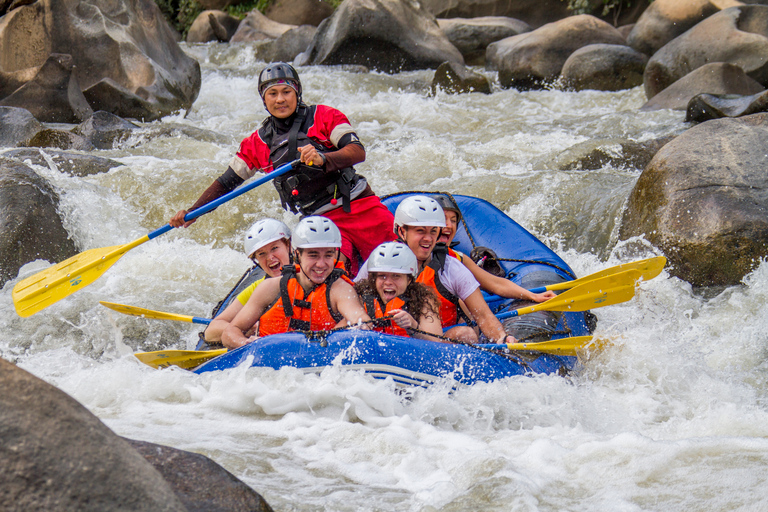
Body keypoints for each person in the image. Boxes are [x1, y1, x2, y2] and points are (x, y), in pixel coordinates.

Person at [169, 62, 395, 276]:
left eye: (286, 92)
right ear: (263, 99)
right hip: (317, 223)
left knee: (397, 263)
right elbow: (226, 183)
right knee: (335, 276)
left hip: (358, 206)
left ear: (297, 93)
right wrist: (193, 212)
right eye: (272, 93)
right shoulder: (256, 143)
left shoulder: (324, 116)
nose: (280, 99)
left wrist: (323, 159)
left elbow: (357, 151)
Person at [356, 196, 516, 345]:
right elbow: (353, 301)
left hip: (435, 344)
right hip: (382, 343)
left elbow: (483, 316)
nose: (428, 238)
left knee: (466, 334)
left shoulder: (451, 267)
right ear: (401, 231)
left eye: (433, 231)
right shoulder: (378, 262)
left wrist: (502, 339)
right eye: (420, 231)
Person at [222, 216, 371, 349]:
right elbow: (230, 332)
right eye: (313, 255)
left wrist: (360, 324)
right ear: (297, 254)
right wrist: (246, 344)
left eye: (328, 255)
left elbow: (360, 318)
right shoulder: (270, 288)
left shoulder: (340, 289)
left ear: (336, 253)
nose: (321, 264)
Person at [432, 193, 557, 303]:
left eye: (453, 221)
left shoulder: (458, 258)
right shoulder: (415, 257)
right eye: (443, 219)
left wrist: (533, 296)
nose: (449, 225)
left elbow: (496, 284)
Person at [203, 218, 292, 343]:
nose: (270, 258)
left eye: (274, 248)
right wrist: (243, 330)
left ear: (288, 246)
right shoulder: (259, 288)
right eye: (261, 254)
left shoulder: (311, 273)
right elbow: (211, 331)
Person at [354, 242, 443, 341]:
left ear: (409, 280)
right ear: (374, 279)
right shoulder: (361, 298)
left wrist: (413, 327)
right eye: (382, 276)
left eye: (396, 276)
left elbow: (437, 343)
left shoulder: (423, 299)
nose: (388, 282)